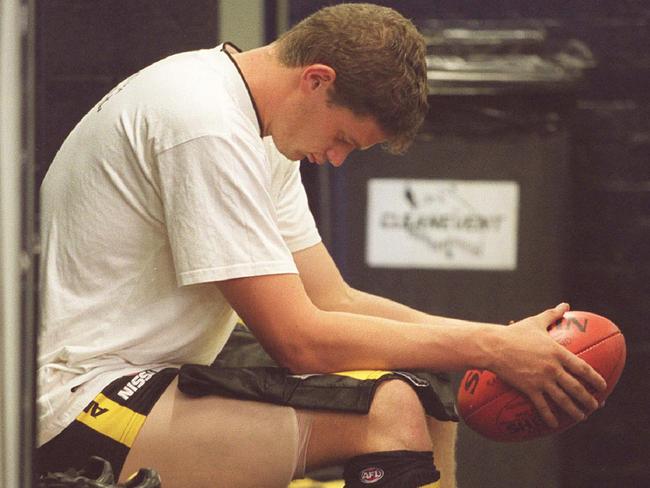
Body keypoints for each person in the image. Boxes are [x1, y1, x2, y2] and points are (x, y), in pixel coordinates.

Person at [36, 3, 606, 488]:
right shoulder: (203, 122)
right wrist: (488, 349)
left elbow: (334, 301)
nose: (335, 159)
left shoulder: (260, 129)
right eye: (342, 139)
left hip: (157, 374)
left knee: (425, 391)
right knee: (390, 415)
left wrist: (503, 340)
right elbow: (299, 342)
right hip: (80, 402)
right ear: (317, 79)